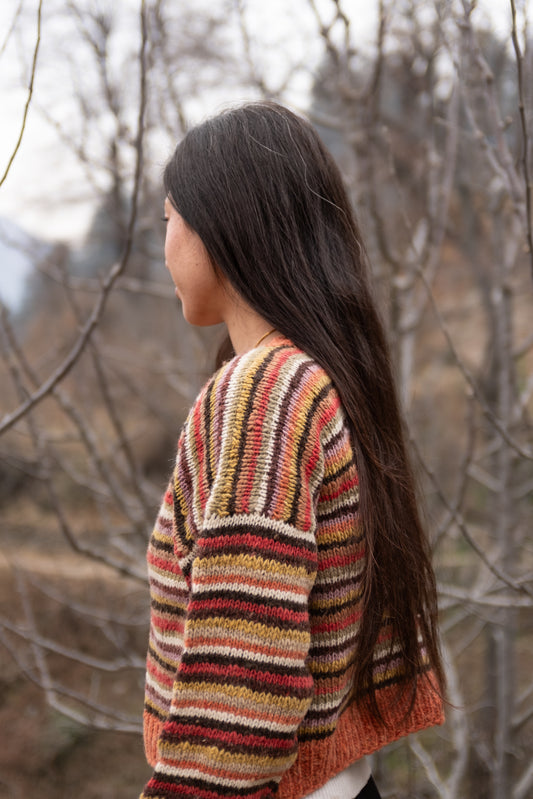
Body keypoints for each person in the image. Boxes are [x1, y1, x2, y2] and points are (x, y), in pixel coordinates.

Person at [140, 102, 445, 799]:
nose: (164, 246)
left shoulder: (264, 393)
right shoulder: (317, 370)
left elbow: (244, 678)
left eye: (167, 219)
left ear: (219, 226)